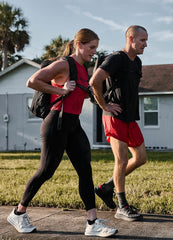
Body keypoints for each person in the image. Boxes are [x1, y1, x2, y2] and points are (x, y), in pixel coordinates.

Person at [7, 28, 117, 238]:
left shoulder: (84, 69)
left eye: (96, 48)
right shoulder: (64, 64)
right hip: (56, 123)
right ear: (80, 45)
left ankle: (92, 222)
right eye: (91, 47)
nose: (94, 51)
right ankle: (18, 213)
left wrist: (102, 102)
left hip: (73, 124)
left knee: (85, 170)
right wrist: (61, 90)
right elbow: (32, 81)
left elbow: (79, 95)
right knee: (46, 171)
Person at [89, 25, 148, 221]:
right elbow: (94, 81)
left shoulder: (137, 62)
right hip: (114, 117)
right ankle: (122, 206)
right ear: (131, 39)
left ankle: (107, 187)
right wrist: (104, 105)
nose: (145, 45)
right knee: (121, 161)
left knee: (140, 158)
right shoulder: (116, 58)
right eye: (142, 40)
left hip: (130, 117)